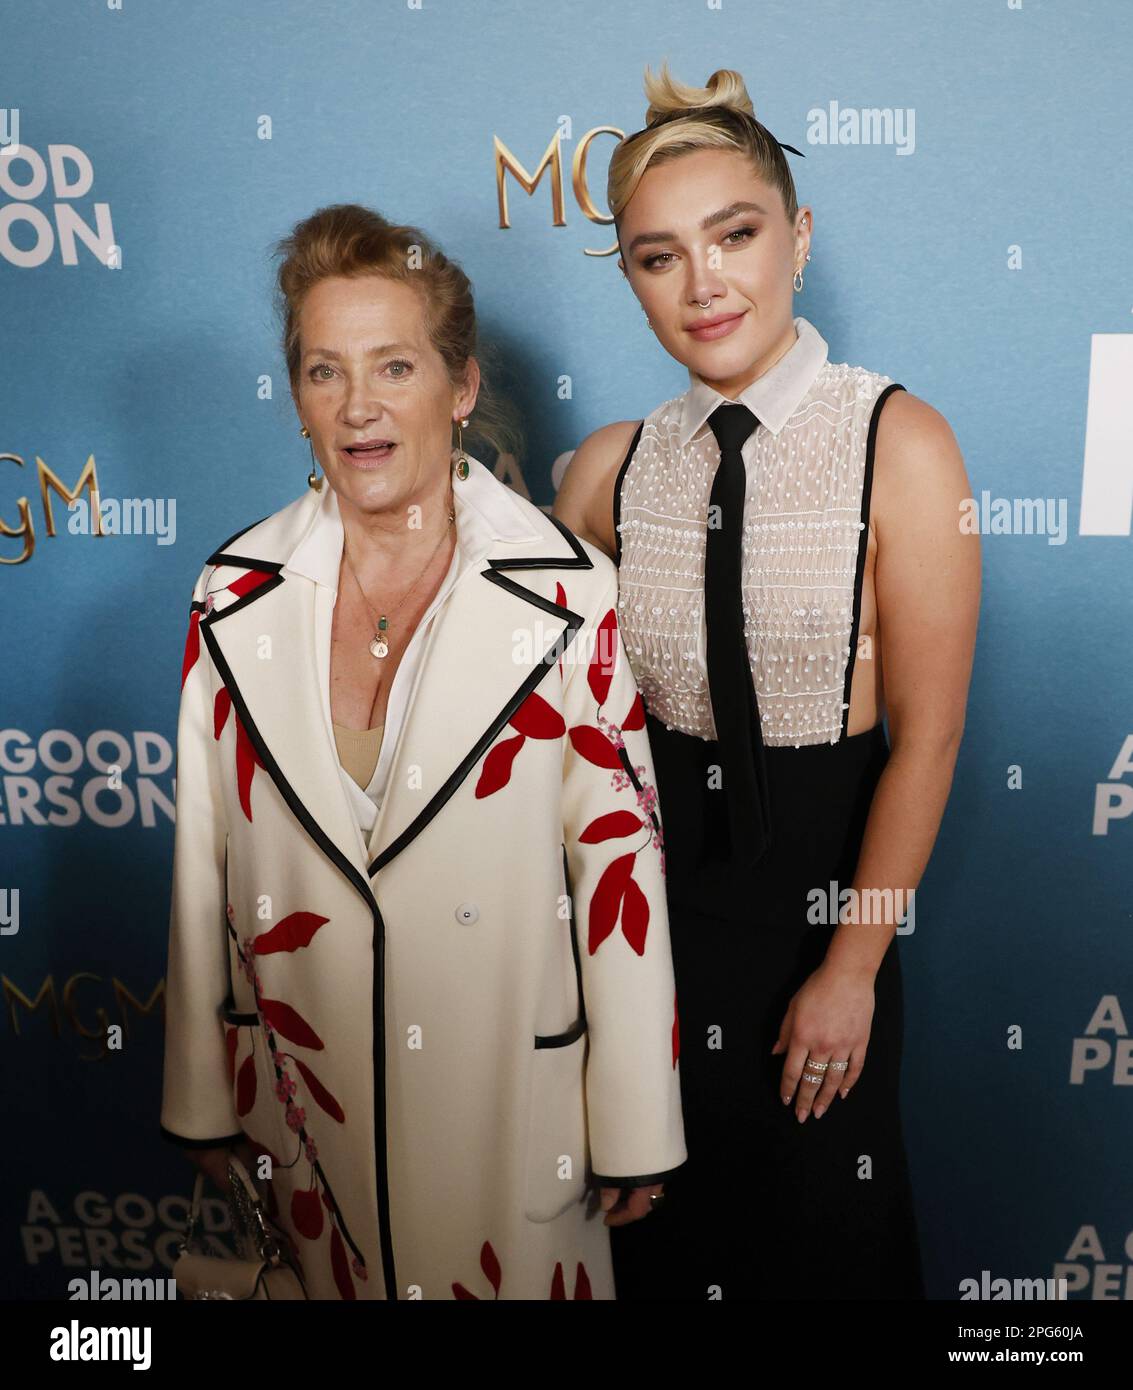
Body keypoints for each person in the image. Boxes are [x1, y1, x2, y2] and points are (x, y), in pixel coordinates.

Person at [159, 203, 686, 1300]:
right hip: (302, 1112)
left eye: (393, 367)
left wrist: (635, 1118)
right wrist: (206, 1095)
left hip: (509, 1119)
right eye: (323, 370)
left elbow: (617, 870)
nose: (358, 407)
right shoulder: (228, 595)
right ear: (295, 395)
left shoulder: (570, 597)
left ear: (460, 386)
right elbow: (200, 866)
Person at [554, 64, 980, 1299]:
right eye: (655, 255)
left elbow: (930, 739)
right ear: (629, 278)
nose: (703, 283)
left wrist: (848, 971)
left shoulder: (898, 442)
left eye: (733, 234)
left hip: (818, 933)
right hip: (640, 949)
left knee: (825, 1253)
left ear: (796, 235)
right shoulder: (606, 471)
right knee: (656, 1254)